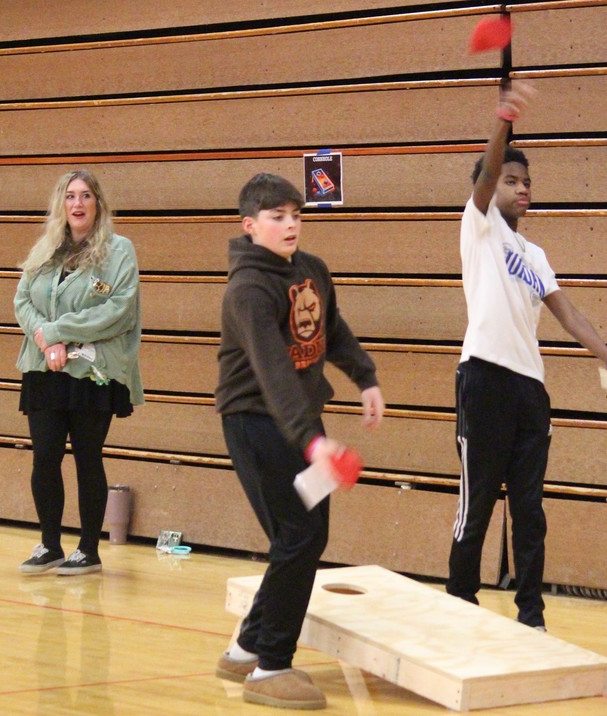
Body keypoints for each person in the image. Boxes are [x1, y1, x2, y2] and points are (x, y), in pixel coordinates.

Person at [447, 83, 607, 630]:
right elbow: (485, 175)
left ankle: (532, 615)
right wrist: (503, 119)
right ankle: (461, 603)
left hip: (530, 389)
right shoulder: (477, 228)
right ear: (489, 186)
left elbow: (568, 315)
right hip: (482, 378)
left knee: (529, 510)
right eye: (511, 179)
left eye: (527, 181)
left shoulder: (536, 255)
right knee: (476, 502)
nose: (522, 188)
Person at [213, 172, 384, 709]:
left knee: (305, 534)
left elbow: (330, 328)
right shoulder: (247, 290)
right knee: (298, 533)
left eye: (296, 215)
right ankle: (271, 668)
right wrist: (315, 444)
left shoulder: (311, 270)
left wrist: (366, 377)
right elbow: (273, 374)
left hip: (299, 423)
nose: (290, 225)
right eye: (277, 217)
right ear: (250, 225)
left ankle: (245, 648)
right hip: (256, 422)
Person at [14, 169, 143, 576]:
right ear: (61, 203)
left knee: (88, 457)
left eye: (86, 195)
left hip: (92, 370)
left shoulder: (119, 250)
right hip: (43, 366)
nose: (77, 203)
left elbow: (116, 310)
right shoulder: (45, 250)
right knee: (44, 456)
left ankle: (88, 549)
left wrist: (57, 332)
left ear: (98, 204)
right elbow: (22, 300)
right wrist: (44, 340)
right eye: (70, 196)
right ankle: (49, 545)